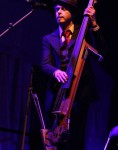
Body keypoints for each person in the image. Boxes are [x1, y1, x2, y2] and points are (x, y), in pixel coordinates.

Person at [32, 0, 107, 150]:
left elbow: (101, 49)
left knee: (75, 136)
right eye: (57, 9)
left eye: (63, 9)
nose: (58, 12)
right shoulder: (48, 38)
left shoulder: (83, 30)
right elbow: (45, 64)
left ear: (72, 13)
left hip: (79, 92)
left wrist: (93, 24)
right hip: (57, 93)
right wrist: (55, 71)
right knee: (53, 136)